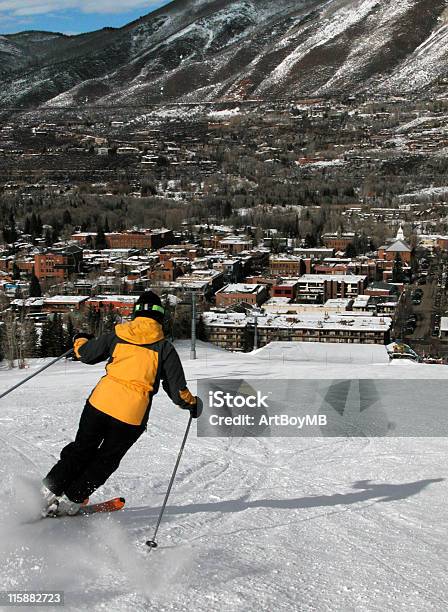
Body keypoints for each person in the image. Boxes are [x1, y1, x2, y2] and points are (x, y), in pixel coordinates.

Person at [41, 291, 202, 516]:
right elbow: (178, 392)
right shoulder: (164, 348)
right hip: (130, 416)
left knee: (81, 450)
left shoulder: (118, 335)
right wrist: (193, 404)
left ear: (136, 312)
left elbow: (86, 354)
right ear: (160, 317)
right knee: (106, 460)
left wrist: (80, 339)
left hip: (99, 404)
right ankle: (71, 500)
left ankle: (45, 492)